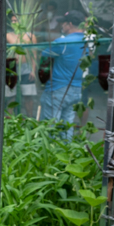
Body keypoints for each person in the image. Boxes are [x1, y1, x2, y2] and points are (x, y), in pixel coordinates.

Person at [40, 10, 88, 140]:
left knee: (51, 125)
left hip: (58, 88)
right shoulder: (86, 42)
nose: (61, 26)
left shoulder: (62, 42)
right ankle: (67, 154)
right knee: (68, 125)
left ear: (70, 24)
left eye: (63, 23)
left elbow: (45, 57)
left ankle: (49, 153)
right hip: (76, 89)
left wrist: (42, 79)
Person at [6, 15, 38, 117]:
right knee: (11, 96)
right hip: (11, 68)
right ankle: (9, 120)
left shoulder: (31, 36)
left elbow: (34, 53)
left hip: (26, 68)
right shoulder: (8, 35)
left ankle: (29, 118)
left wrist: (33, 70)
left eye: (16, 21)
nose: (14, 23)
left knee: (28, 96)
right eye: (12, 21)